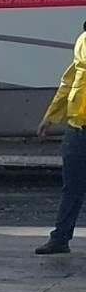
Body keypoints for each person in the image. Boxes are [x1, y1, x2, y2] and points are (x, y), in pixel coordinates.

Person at [39, 14, 86, 255]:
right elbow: (69, 83)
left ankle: (60, 238)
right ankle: (60, 238)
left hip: (78, 129)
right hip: (78, 127)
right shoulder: (82, 41)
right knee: (72, 187)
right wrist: (51, 115)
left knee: (73, 187)